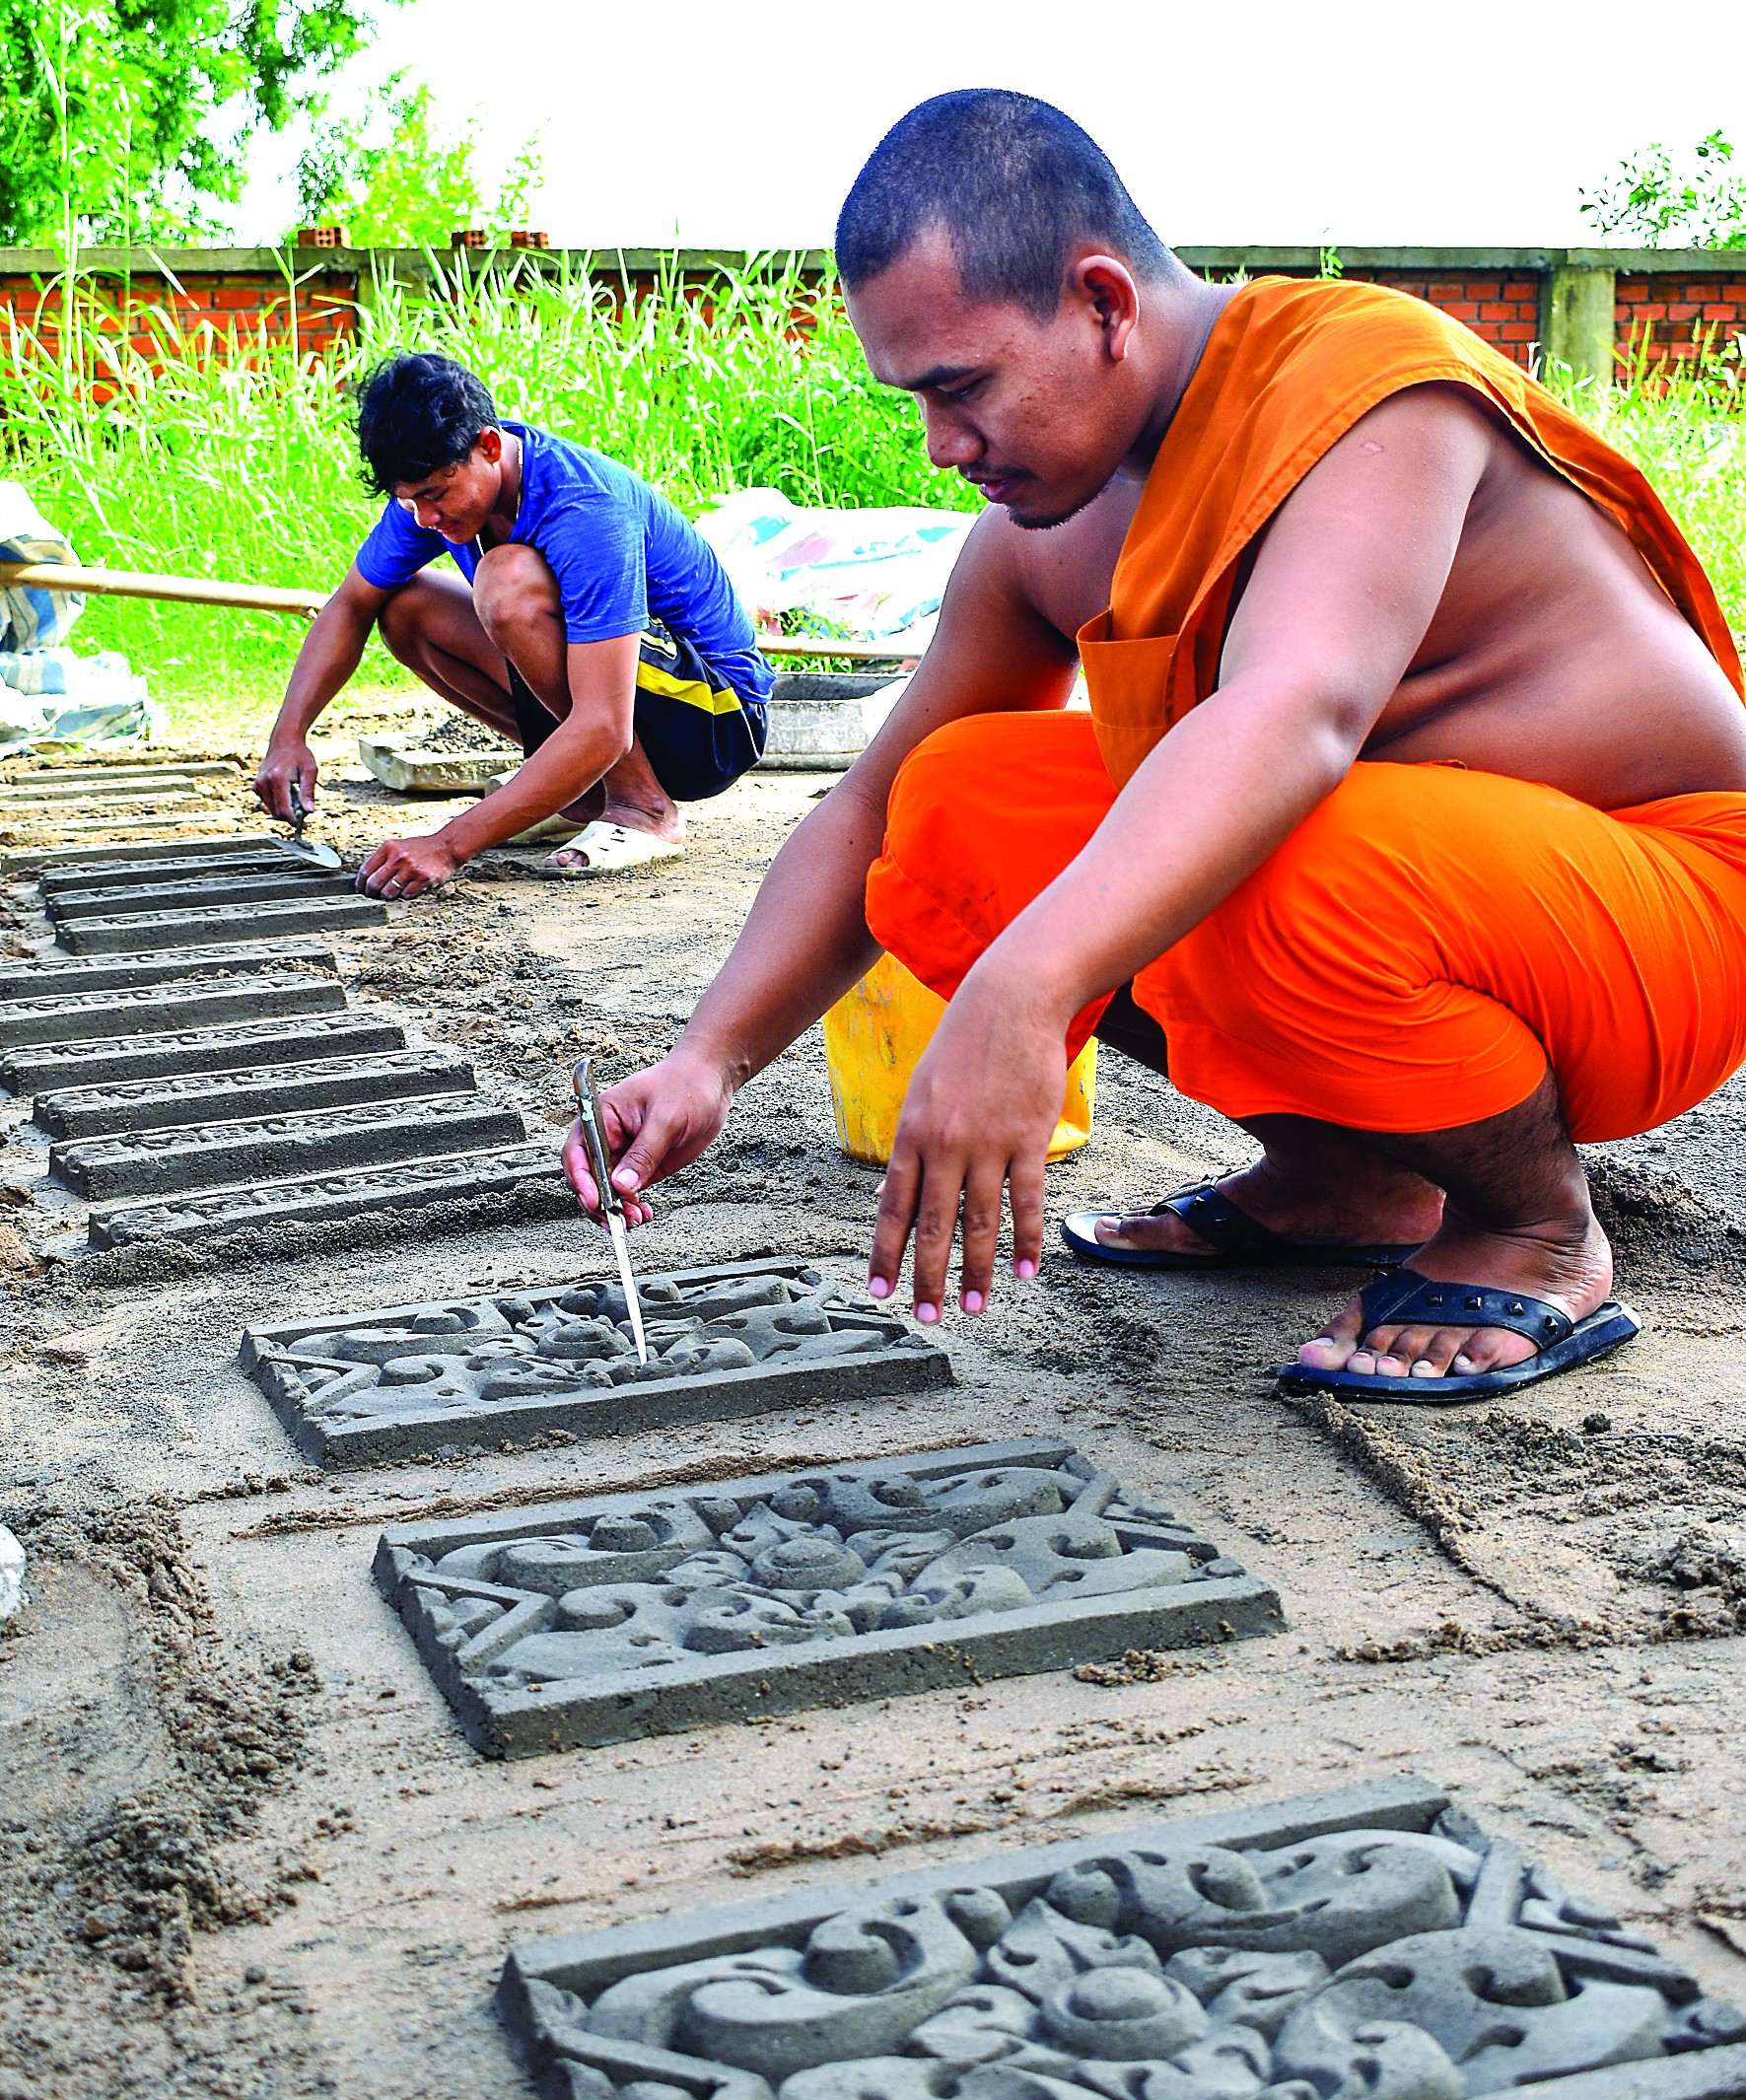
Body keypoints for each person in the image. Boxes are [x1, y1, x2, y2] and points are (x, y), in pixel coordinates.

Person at [562, 89, 1746, 1405]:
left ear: (1102, 303)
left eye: (961, 388)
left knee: (1271, 839)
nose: (942, 447)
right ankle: (1348, 1176)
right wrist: (706, 1057)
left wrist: (1019, 994)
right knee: (954, 807)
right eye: (915, 400)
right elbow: (872, 808)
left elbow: (1290, 718)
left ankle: (1532, 1227)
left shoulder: (1359, 388)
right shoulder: (1039, 527)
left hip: (1661, 919)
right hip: (1416, 907)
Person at [252, 352, 772, 889]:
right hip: (624, 703)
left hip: (714, 717)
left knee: (506, 580)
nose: (426, 519)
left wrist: (448, 845)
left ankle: (642, 806)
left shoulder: (584, 509)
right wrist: (288, 735)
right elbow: (350, 604)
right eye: (409, 502)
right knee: (405, 604)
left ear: (490, 447)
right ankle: (580, 794)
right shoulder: (431, 496)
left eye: (435, 495)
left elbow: (605, 725)